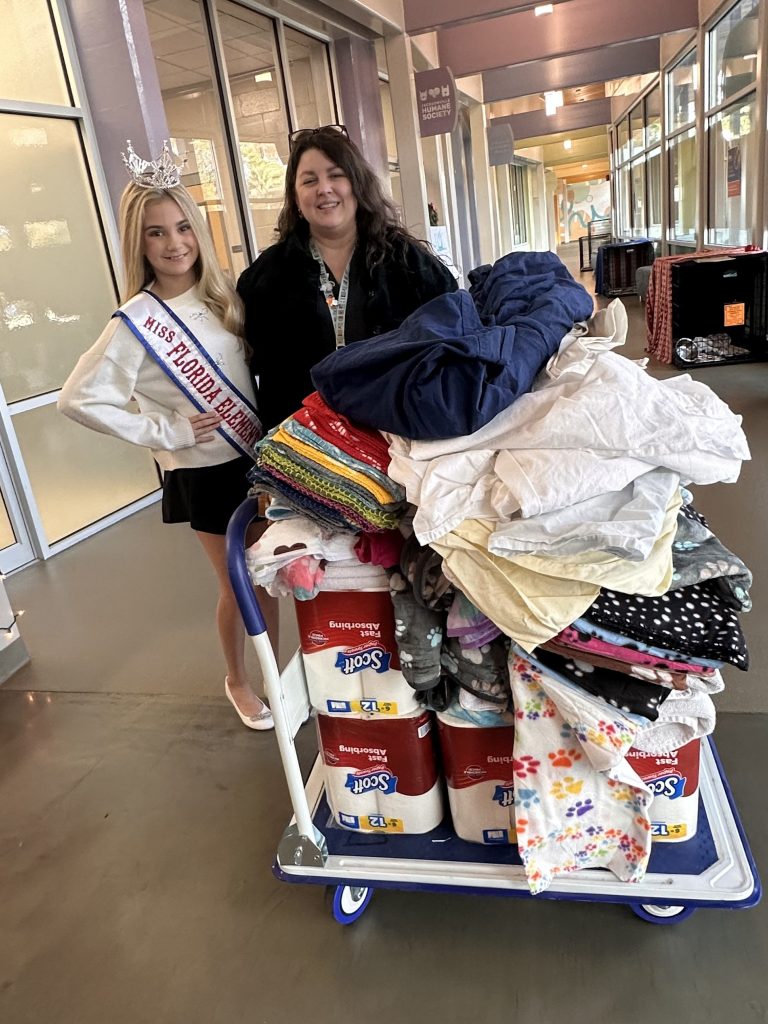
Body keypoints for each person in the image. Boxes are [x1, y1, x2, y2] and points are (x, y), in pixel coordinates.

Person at [58, 143, 277, 731]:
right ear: (140, 243)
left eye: (184, 227)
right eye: (157, 233)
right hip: (204, 471)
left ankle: (277, 678)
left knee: (271, 577)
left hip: (254, 458)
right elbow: (77, 399)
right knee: (239, 582)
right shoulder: (134, 322)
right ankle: (238, 679)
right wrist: (165, 429)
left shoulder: (223, 296)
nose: (174, 242)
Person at [236, 124, 459, 433]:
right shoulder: (265, 278)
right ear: (296, 199)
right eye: (309, 180)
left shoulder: (410, 265)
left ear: (357, 184)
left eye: (336, 175)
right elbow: (250, 363)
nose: (324, 188)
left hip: (395, 443)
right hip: (304, 451)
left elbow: (450, 345)